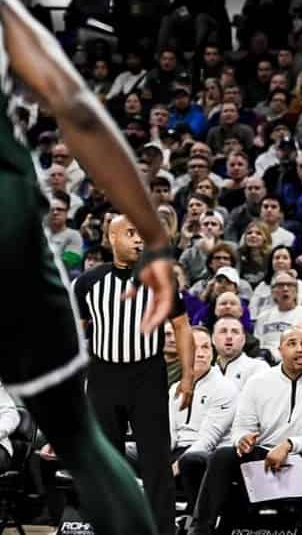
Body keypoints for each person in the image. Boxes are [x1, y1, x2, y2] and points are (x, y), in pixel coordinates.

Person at [74, 214, 191, 535]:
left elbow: (181, 326)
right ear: (112, 238)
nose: (139, 240)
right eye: (130, 234)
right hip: (102, 377)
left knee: (156, 462)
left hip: (147, 376)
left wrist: (188, 375)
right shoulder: (88, 282)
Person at [188, 326, 302, 535]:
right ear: (279, 350)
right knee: (222, 455)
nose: (300, 349)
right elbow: (241, 428)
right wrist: (242, 440)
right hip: (264, 456)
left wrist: (290, 445)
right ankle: (200, 531)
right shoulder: (257, 383)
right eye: (292, 344)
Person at [171, 327, 238, 512]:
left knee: (190, 461)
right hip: (177, 450)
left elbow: (208, 440)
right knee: (123, 450)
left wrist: (173, 466)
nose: (200, 353)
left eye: (206, 347)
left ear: (213, 353)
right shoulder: (174, 389)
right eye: (194, 347)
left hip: (207, 454)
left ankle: (195, 520)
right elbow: (169, 435)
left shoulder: (226, 389)